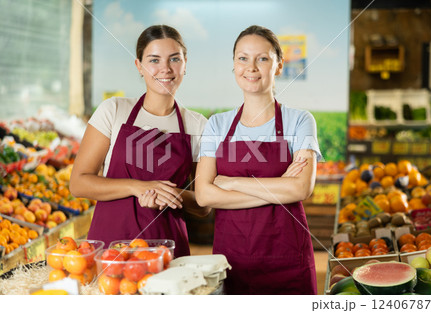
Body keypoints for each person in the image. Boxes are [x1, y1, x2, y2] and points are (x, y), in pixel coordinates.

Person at [195, 25, 322, 295]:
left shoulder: (299, 120)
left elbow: (301, 189)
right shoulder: (217, 124)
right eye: (243, 58)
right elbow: (204, 195)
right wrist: (278, 188)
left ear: (278, 66)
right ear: (234, 65)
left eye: (262, 58)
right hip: (231, 261)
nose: (251, 67)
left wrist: (230, 182)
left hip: (287, 261)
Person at [70, 25, 209, 257]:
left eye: (174, 59)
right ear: (139, 66)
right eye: (154, 60)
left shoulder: (198, 125)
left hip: (168, 249)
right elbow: (79, 183)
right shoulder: (113, 110)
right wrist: (139, 187)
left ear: (185, 64)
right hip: (111, 246)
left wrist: (166, 194)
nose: (165, 68)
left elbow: (204, 205)